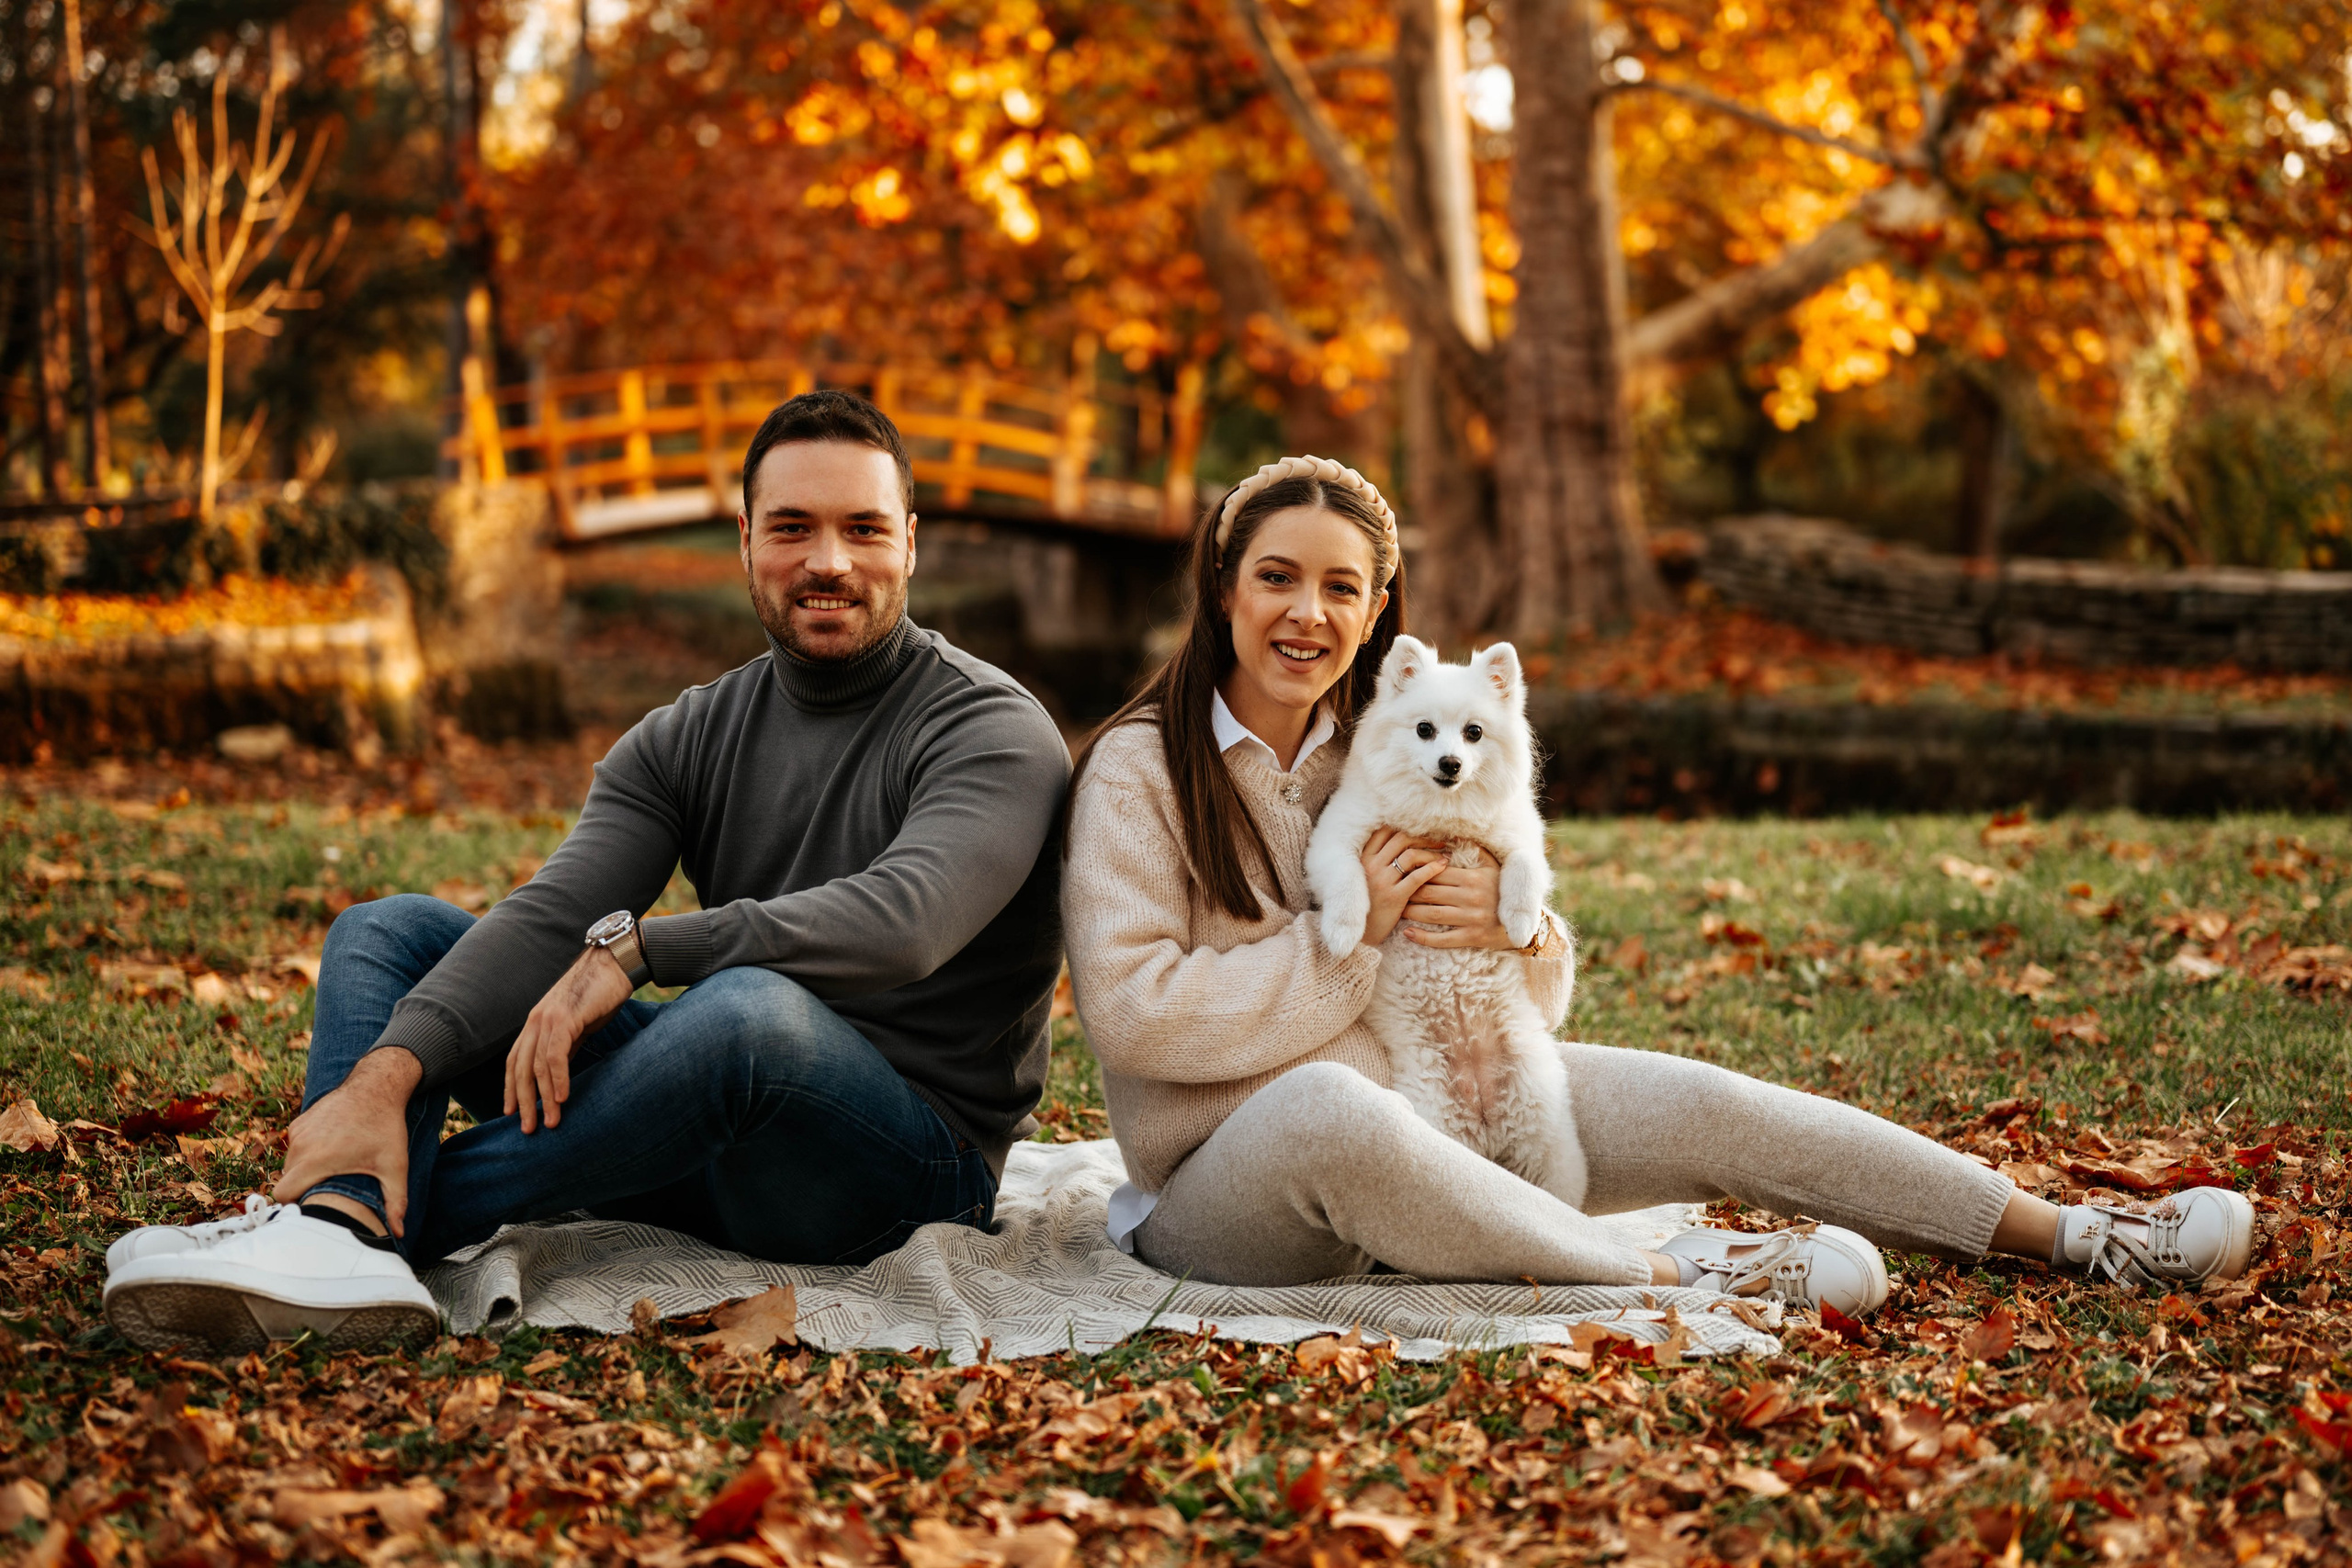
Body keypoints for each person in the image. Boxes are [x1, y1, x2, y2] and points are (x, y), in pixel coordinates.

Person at [1062, 453, 2253, 1314]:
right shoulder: (1138, 769)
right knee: (1332, 1106)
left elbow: (1531, 998)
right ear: (1223, 587)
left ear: (1377, 611)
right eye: (1277, 577)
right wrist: (1350, 941)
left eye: (1340, 588)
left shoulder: (1400, 748)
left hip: (1434, 1100)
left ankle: (2077, 1233)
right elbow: (1129, 1012)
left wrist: (1519, 936)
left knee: (1701, 1098)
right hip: (1230, 1190)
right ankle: (1673, 1271)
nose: (1306, 612)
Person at [101, 390, 1071, 1355]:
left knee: (745, 1012)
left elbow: (905, 924)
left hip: (898, 1171)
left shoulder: (991, 729)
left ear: (909, 542)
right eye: (792, 528)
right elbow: (554, 915)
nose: (828, 560)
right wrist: (384, 1075)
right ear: (745, 543)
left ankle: (347, 1224)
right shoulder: (691, 732)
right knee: (387, 931)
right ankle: (337, 1220)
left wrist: (641, 951)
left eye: (863, 528)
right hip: (694, 1133)